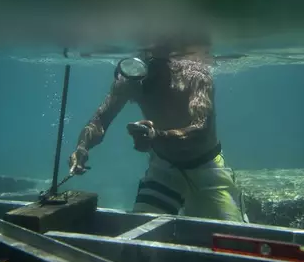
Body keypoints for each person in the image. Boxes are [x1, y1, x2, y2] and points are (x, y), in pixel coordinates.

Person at [67, 34, 247, 222]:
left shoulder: (196, 77)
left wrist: (157, 137)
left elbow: (201, 130)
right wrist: (82, 147)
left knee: (231, 236)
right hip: (163, 167)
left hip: (206, 167)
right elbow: (100, 119)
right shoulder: (131, 80)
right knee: (142, 230)